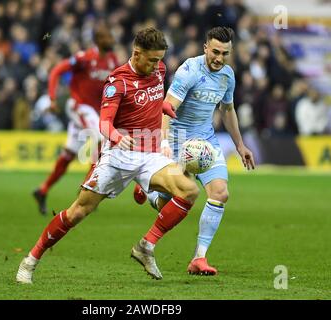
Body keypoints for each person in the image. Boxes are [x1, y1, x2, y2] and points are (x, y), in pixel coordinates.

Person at [16, 27, 197, 284]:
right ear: (136, 54)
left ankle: (145, 245)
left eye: (160, 59)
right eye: (153, 59)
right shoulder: (117, 81)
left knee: (188, 191)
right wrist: (117, 136)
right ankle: (31, 260)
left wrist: (164, 106)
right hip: (119, 157)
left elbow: (152, 99)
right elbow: (104, 124)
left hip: (150, 154)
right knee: (77, 212)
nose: (159, 65)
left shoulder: (159, 70)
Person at [134, 27, 255, 276]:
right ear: (205, 48)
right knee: (171, 203)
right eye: (215, 52)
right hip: (179, 141)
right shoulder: (189, 70)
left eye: (225, 53)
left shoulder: (228, 76)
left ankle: (199, 258)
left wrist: (240, 145)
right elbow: (166, 107)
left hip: (206, 142)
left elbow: (228, 110)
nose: (219, 58)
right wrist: (164, 143)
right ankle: (151, 192)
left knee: (220, 193)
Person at [32, 23, 119, 214]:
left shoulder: (112, 60)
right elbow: (56, 71)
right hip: (78, 106)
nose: (111, 41)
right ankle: (89, 188)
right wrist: (53, 98)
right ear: (98, 40)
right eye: (107, 38)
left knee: (69, 154)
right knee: (100, 137)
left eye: (111, 37)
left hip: (94, 111)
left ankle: (42, 189)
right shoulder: (85, 57)